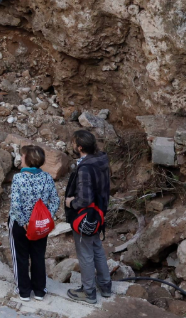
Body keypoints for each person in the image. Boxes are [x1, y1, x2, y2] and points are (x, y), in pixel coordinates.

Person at [65, 129, 112, 304]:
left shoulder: (85, 167)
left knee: (85, 252)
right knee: (97, 247)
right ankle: (105, 285)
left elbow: (84, 199)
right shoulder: (101, 159)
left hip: (86, 217)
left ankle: (88, 291)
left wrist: (71, 203)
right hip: (99, 213)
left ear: (79, 147)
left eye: (73, 143)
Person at [8, 145, 61, 301]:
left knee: (20, 256)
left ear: (27, 159)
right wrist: (46, 218)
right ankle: (39, 291)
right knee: (38, 256)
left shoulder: (18, 178)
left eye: (22, 156)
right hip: (40, 226)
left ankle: (24, 291)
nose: (20, 159)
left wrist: (24, 221)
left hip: (20, 224)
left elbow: (16, 204)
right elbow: (55, 201)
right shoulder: (47, 177)